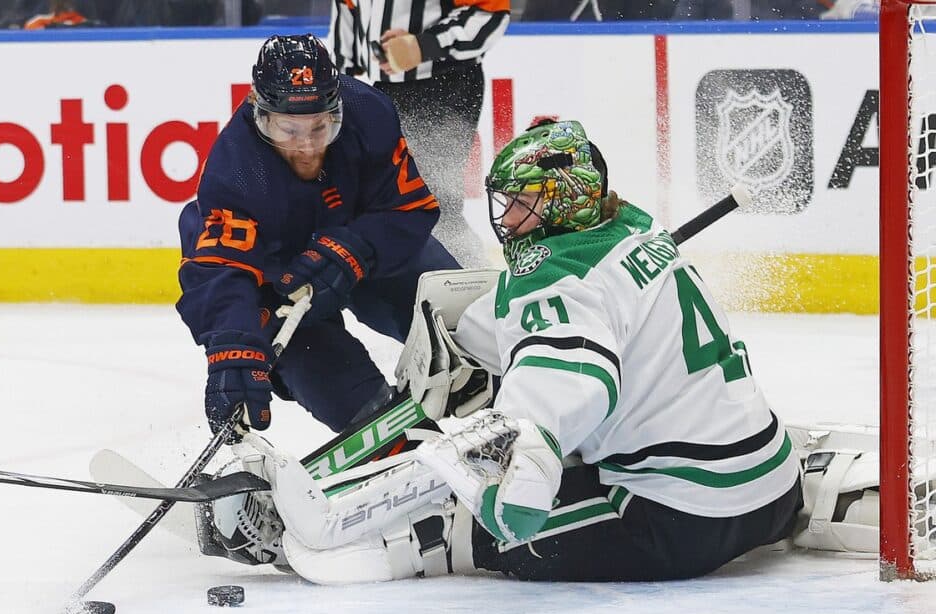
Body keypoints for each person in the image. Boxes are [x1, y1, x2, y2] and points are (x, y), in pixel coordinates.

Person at [198, 118, 826, 582]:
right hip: (771, 486)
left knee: (464, 520)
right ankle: (829, 487)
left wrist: (527, 466)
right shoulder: (634, 229)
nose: (507, 217)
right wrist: (471, 344)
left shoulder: (554, 280)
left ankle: (328, 538)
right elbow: (565, 328)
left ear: (563, 199)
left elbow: (570, 376)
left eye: (523, 202)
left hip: (678, 516)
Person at [176, 34, 459, 444]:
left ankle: (526, 412)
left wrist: (356, 248)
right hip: (282, 290)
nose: (307, 146)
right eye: (289, 130)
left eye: (320, 127)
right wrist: (232, 347)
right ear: (260, 111)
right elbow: (220, 270)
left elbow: (409, 207)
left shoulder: (368, 113)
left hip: (373, 257)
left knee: (466, 327)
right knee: (351, 397)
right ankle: (397, 444)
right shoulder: (234, 169)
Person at [327, 0, 510, 269]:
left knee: (431, 200)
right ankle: (408, 278)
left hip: (445, 83)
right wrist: (339, 82)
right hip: (383, 90)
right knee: (382, 197)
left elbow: (490, 11)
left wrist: (425, 45)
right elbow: (348, 8)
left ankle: (468, 278)